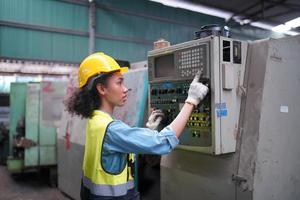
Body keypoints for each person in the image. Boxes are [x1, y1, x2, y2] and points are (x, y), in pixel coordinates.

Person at [66, 52, 209, 200]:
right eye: (119, 82)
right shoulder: (111, 129)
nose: (125, 88)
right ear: (102, 89)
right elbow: (163, 142)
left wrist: (148, 132)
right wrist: (191, 100)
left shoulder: (95, 121)